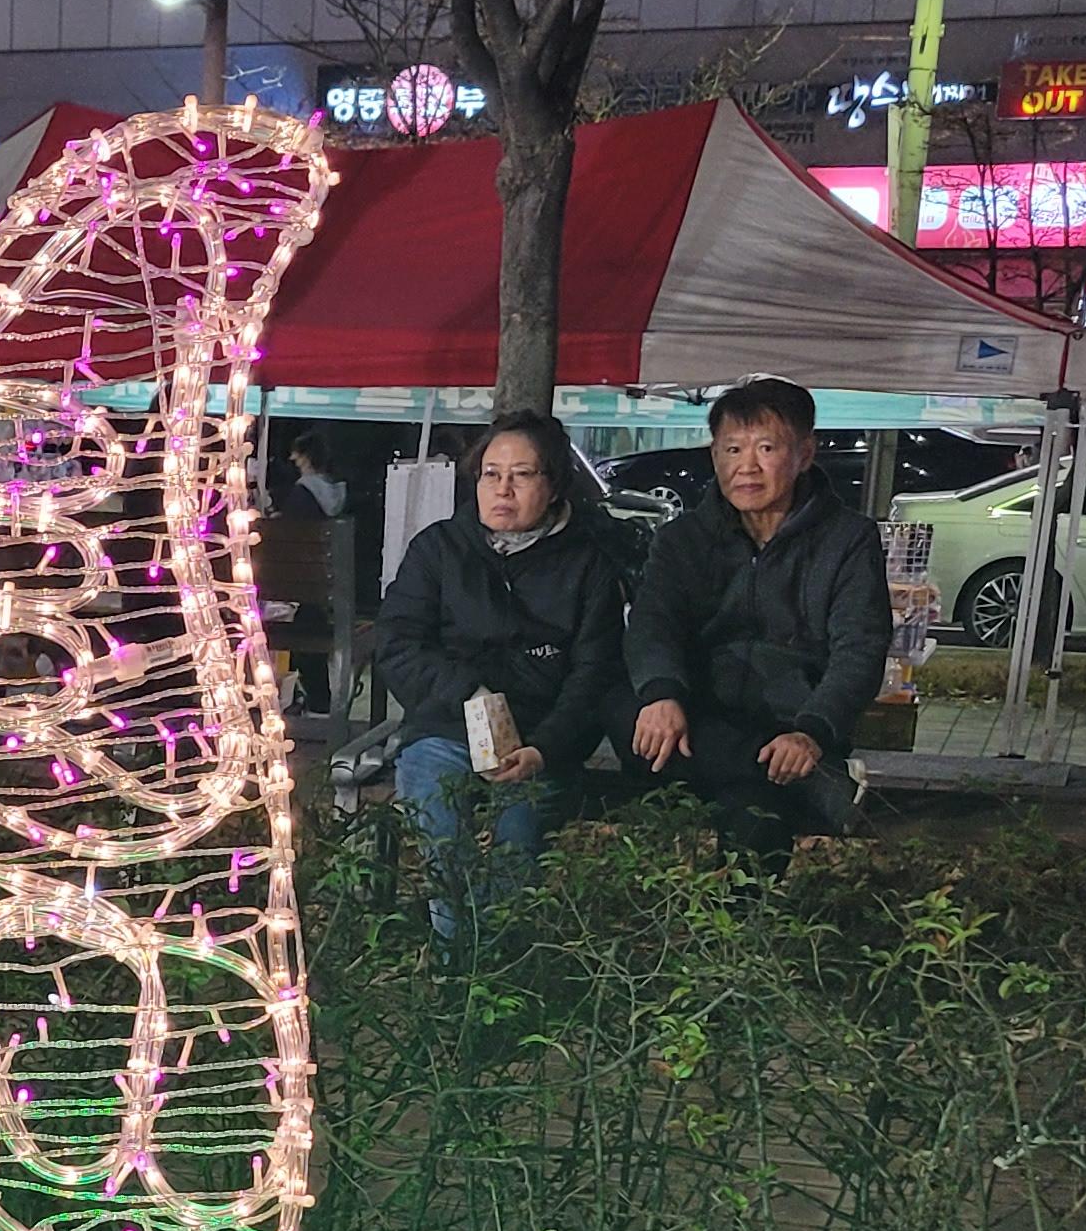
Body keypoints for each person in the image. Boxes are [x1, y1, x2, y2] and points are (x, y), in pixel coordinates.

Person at [369, 410, 628, 950]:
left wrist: (546, 747)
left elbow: (594, 674)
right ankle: (457, 959)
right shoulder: (440, 548)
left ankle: (502, 958)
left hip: (540, 736)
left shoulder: (588, 565)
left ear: (553, 486)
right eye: (491, 474)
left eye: (522, 475)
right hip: (446, 727)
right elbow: (398, 645)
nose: (502, 489)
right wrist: (467, 692)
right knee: (438, 816)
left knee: (519, 835)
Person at [621, 377, 889, 868]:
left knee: (754, 816)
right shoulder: (683, 538)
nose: (746, 466)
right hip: (693, 722)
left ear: (804, 454)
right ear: (714, 455)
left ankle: (784, 776)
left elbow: (861, 648)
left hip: (788, 730)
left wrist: (811, 731)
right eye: (732, 449)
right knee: (621, 701)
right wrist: (661, 693)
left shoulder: (847, 540)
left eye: (766, 448)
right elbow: (653, 623)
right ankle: (811, 782)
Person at [277, 430, 351, 707]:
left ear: (306, 457)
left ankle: (303, 696)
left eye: (296, 453)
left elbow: (288, 540)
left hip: (300, 591)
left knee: (296, 626)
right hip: (331, 591)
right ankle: (318, 699)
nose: (292, 458)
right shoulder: (339, 494)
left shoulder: (302, 494)